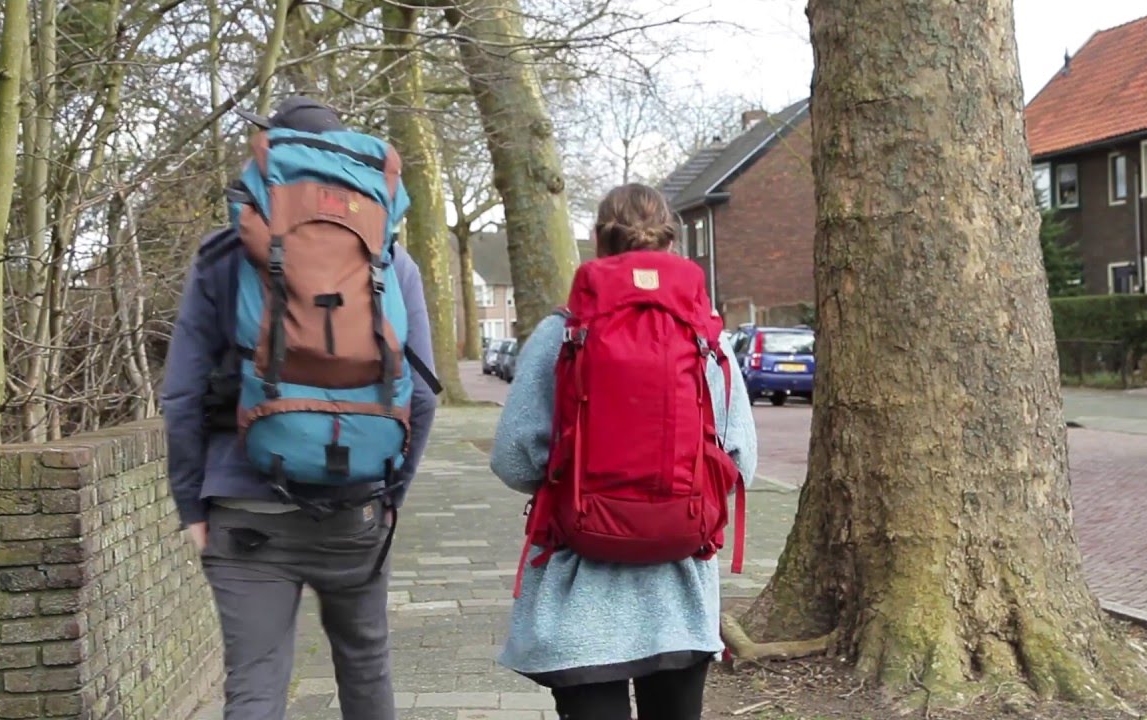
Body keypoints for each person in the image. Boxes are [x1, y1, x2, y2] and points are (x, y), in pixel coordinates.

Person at [161, 96, 438, 720]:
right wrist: (392, 493)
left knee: (255, 686)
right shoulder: (391, 261)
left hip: (244, 508)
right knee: (366, 669)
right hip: (356, 502)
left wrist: (191, 504)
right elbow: (421, 395)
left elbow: (180, 395)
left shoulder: (224, 254)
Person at [490, 183, 757, 719]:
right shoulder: (707, 337)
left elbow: (513, 458)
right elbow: (739, 462)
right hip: (680, 596)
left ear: (597, 242)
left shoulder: (561, 332)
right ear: (672, 242)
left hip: (579, 596)